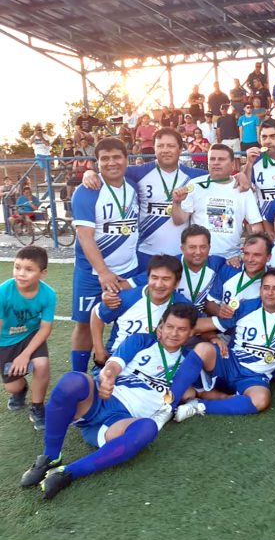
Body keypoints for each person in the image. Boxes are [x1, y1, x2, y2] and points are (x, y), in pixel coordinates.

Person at [19, 304, 215, 500]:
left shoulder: (189, 362)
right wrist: (108, 376)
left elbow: (201, 391)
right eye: (170, 327)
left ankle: (67, 473)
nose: (174, 333)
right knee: (73, 380)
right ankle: (51, 456)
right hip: (100, 400)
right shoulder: (141, 341)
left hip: (119, 423)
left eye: (181, 329)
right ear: (160, 327)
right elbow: (114, 364)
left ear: (191, 333)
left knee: (147, 428)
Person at [176, 269, 275, 420]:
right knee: (202, 349)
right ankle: (169, 405)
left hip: (255, 376)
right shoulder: (245, 307)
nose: (270, 293)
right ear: (260, 290)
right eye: (266, 287)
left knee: (261, 400)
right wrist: (178, 329)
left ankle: (199, 405)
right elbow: (209, 324)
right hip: (230, 361)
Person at [80, 128, 209, 270]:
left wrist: (239, 175)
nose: (165, 150)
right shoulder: (138, 172)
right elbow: (110, 169)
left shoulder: (195, 176)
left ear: (180, 148)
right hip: (144, 254)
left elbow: (221, 178)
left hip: (181, 254)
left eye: (170, 146)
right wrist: (89, 172)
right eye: (160, 146)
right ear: (154, 149)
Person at [70, 138, 140, 373]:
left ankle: (116, 367)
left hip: (129, 269)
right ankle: (79, 376)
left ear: (126, 160)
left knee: (125, 319)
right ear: (97, 162)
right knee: (83, 323)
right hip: (93, 273)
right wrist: (103, 272)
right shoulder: (87, 191)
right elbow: (85, 236)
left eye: (116, 157)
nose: (112, 163)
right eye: (105, 159)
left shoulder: (133, 185)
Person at [91, 256, 192, 367]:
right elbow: (97, 314)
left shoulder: (183, 305)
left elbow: (198, 325)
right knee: (77, 382)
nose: (158, 284)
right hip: (118, 360)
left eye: (166, 279)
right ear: (148, 278)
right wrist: (99, 349)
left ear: (177, 283)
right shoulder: (126, 299)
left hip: (159, 365)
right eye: (154, 278)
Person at [171, 144, 264, 259]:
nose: (216, 162)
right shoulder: (195, 185)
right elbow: (179, 221)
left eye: (221, 159)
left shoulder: (243, 188)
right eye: (212, 159)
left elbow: (256, 226)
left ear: (232, 164)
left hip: (231, 259)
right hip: (199, 259)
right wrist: (176, 203)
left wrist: (247, 255)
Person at [0, 246, 55, 430]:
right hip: (5, 340)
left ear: (43, 273)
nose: (21, 274)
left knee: (41, 365)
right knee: (12, 387)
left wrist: (25, 355)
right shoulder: (4, 291)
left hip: (31, 335)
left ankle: (37, 407)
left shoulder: (49, 294)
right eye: (17, 267)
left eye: (29, 269)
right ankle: (20, 391)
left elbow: (45, 328)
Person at [205, 233, 273, 316]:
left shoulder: (274, 280)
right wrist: (219, 311)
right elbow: (210, 303)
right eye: (246, 254)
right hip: (224, 326)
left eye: (256, 255)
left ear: (268, 257)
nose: (250, 259)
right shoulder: (230, 269)